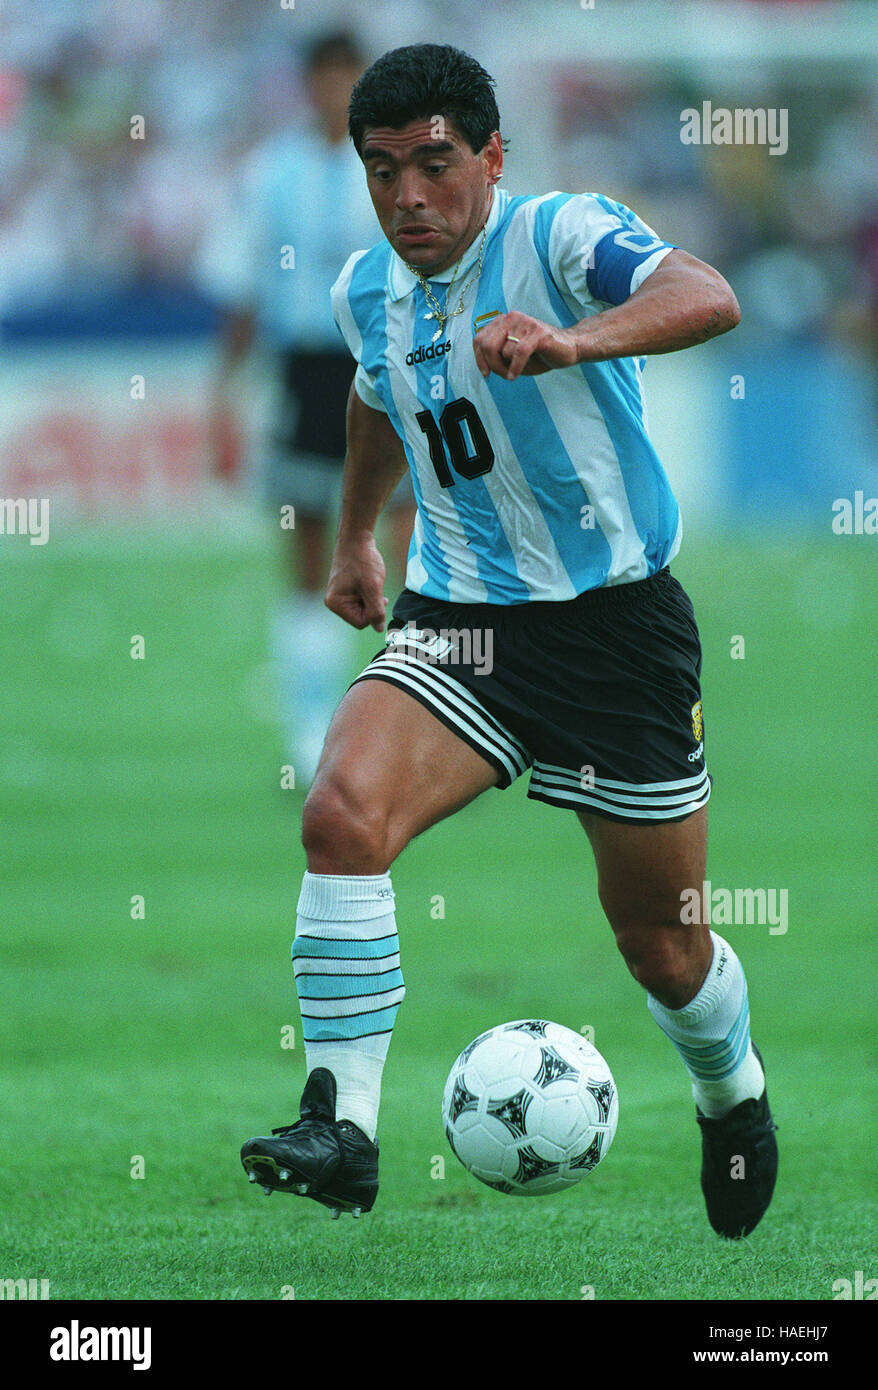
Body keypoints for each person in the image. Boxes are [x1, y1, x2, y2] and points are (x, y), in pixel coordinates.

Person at [241, 43, 778, 1238]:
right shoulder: (362, 290)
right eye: (381, 171)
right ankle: (343, 1125)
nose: (407, 197)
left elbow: (710, 292)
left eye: (433, 164)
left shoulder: (562, 233)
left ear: (490, 154)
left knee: (660, 948)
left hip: (615, 634)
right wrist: (356, 542)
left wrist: (571, 341)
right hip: (461, 625)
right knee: (339, 813)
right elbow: (376, 398)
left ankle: (729, 1091)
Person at [201, 31, 415, 782]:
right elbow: (242, 295)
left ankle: (417, 729)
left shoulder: (394, 170)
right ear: (306, 85)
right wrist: (223, 398)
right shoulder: (269, 176)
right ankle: (307, 734)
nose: (335, 92)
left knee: (411, 539)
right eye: (324, 79)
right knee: (306, 548)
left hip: (388, 363)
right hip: (306, 372)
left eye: (347, 79)